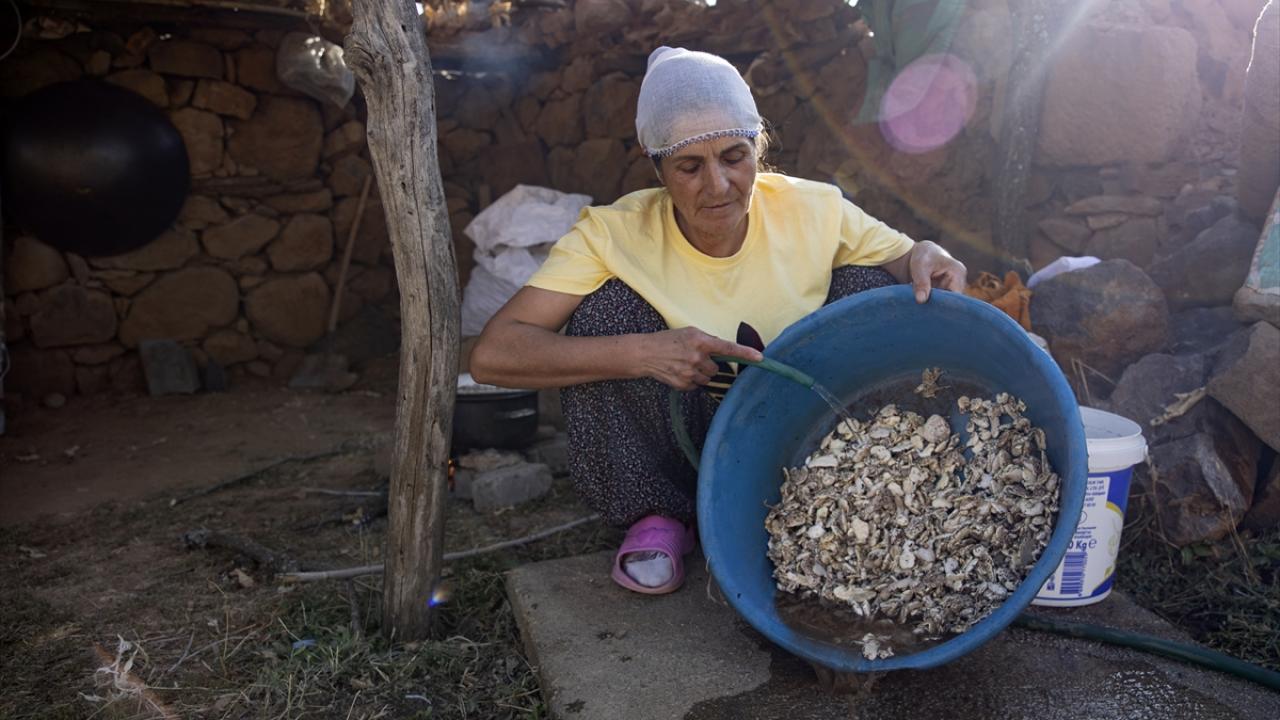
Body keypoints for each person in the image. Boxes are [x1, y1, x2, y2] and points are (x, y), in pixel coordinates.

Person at [470, 47, 966, 595]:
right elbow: (495, 353)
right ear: (656, 167)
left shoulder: (815, 209)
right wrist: (643, 352)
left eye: (735, 156)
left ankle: (856, 493)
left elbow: (911, 258)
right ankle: (659, 516)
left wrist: (929, 255)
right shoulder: (612, 235)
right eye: (689, 166)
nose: (718, 185)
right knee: (604, 315)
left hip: (802, 441)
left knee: (868, 285)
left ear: (758, 147)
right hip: (681, 442)